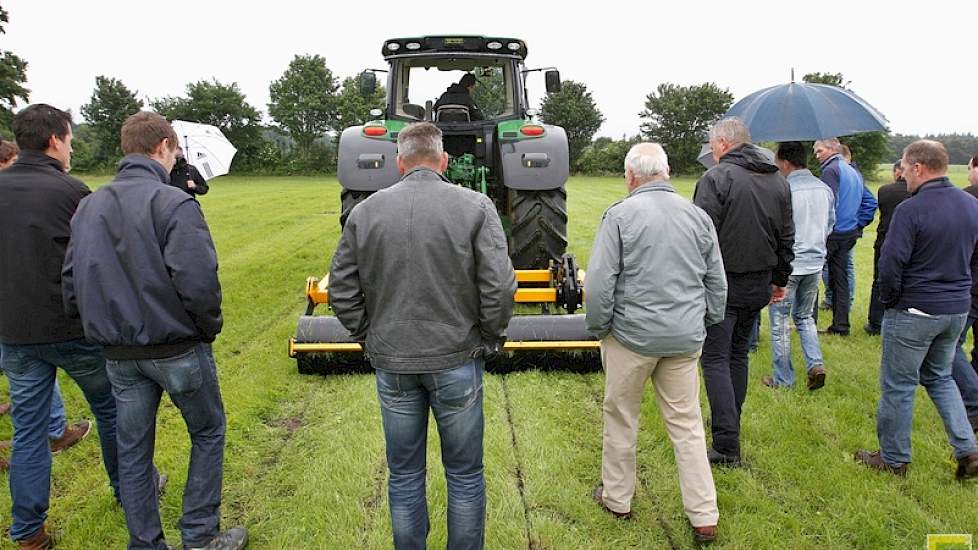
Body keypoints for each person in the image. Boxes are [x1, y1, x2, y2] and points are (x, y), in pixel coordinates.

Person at [63, 112, 246, 550]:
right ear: (164, 146)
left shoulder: (90, 204)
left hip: (118, 351)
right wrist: (206, 329)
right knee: (207, 432)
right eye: (177, 149)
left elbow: (71, 280)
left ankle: (144, 542)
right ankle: (199, 536)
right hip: (176, 347)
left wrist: (95, 328)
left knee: (132, 448)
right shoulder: (173, 204)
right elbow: (200, 282)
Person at [329, 122, 515, 550]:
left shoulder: (365, 212)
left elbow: (341, 288)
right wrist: (489, 337)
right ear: (444, 160)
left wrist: (370, 337)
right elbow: (500, 287)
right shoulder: (476, 206)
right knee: (465, 474)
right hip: (457, 360)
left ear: (399, 162)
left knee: (405, 474)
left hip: (393, 363)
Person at [585, 143, 725, 544]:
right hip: (684, 339)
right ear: (666, 172)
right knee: (688, 425)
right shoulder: (698, 217)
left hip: (631, 338)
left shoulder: (619, 215)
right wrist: (707, 320)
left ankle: (617, 499)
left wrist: (600, 328)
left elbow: (598, 283)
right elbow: (716, 281)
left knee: (621, 417)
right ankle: (704, 514)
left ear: (630, 176)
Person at [0, 104, 120, 549]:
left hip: (14, 331)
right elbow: (96, 260)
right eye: (69, 139)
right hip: (73, 329)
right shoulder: (71, 191)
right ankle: (129, 492)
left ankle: (28, 532)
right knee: (111, 413)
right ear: (55, 140)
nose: (70, 148)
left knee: (29, 431)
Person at [854, 140, 978, 479]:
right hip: (955, 309)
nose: (903, 175)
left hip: (915, 310)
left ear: (919, 168)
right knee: (940, 378)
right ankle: (968, 449)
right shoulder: (970, 204)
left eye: (906, 169)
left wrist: (891, 300)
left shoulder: (912, 209)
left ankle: (894, 458)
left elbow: (891, 263)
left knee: (899, 385)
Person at [693, 117, 795, 466]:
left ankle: (725, 444)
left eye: (712, 145)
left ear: (722, 143)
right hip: (759, 284)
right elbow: (787, 237)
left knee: (716, 358)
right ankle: (728, 422)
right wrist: (779, 279)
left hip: (723, 283)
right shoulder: (777, 181)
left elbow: (700, 239)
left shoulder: (717, 178)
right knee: (737, 354)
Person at [763, 142, 835, 390]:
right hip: (815, 263)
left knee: (780, 322)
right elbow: (830, 224)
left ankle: (783, 379)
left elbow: (776, 230)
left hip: (790, 265)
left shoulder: (784, 189)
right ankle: (815, 363)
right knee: (805, 317)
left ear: (785, 162)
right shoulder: (824, 189)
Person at [813, 138, 877, 336]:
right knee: (840, 279)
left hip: (832, 232)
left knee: (812, 275)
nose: (817, 155)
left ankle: (807, 321)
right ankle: (841, 325)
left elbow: (827, 202)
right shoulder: (853, 170)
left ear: (833, 149)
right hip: (848, 232)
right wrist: (858, 224)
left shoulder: (830, 170)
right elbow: (868, 201)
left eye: (819, 150)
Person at [865, 161, 909, 335]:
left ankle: (875, 322)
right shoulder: (915, 193)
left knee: (879, 281)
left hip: (884, 241)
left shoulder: (885, 190)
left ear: (898, 172)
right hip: (908, 243)